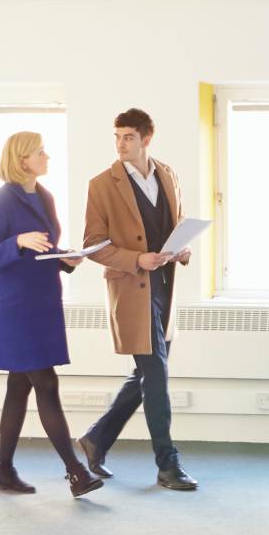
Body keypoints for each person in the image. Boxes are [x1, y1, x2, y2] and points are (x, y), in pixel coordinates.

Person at [0, 131, 106, 499]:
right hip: (16, 308)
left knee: (20, 386)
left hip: (42, 302)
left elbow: (43, 247)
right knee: (46, 384)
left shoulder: (44, 196)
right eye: (40, 152)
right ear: (22, 160)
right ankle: (76, 471)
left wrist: (67, 257)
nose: (46, 157)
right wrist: (15, 242)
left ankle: (3, 470)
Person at [75, 108, 198, 491]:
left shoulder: (168, 174)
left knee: (147, 373)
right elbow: (92, 247)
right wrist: (135, 259)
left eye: (128, 137)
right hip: (132, 291)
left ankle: (97, 438)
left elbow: (174, 225)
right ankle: (167, 464)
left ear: (147, 138)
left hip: (165, 286)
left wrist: (181, 250)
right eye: (117, 137)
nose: (120, 144)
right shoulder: (101, 185)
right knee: (156, 376)